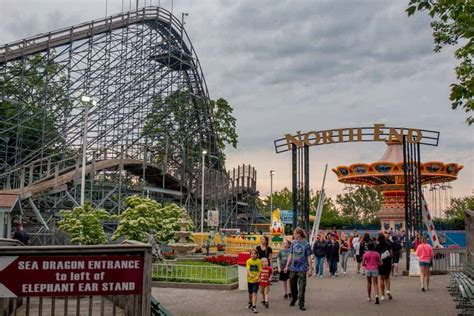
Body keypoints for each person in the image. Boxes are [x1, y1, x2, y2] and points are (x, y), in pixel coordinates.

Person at [284, 228, 313, 311]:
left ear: (299, 234)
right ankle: (294, 297)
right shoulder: (293, 243)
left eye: (295, 233)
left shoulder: (306, 244)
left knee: (302, 286)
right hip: (293, 267)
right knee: (292, 286)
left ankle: (301, 303)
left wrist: (310, 269)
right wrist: (287, 266)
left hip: (302, 268)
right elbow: (290, 254)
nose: (293, 235)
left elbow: (309, 257)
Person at [375, 233, 393, 301]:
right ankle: (388, 290)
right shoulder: (388, 245)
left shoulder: (377, 246)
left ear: (378, 239)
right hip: (388, 263)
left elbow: (376, 256)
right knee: (387, 277)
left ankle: (382, 295)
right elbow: (391, 254)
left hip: (380, 263)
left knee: (381, 278)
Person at [246, 249, 262, 313]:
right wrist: (250, 274)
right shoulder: (248, 261)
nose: (253, 255)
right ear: (250, 255)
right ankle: (250, 303)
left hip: (256, 280)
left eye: (255, 253)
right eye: (252, 253)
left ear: (257, 255)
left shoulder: (259, 261)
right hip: (249, 280)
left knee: (254, 292)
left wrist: (258, 276)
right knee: (250, 293)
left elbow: (260, 269)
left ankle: (254, 306)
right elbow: (248, 269)